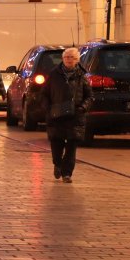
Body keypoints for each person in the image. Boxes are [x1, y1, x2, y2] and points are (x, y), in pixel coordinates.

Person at [40, 47, 93, 183]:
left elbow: (89, 96)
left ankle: (67, 173)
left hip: (75, 116)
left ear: (77, 60)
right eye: (67, 57)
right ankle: (57, 164)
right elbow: (44, 93)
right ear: (62, 59)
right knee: (56, 144)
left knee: (71, 146)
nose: (69, 60)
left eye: (72, 58)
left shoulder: (82, 75)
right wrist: (47, 108)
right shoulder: (54, 74)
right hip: (56, 115)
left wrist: (83, 107)